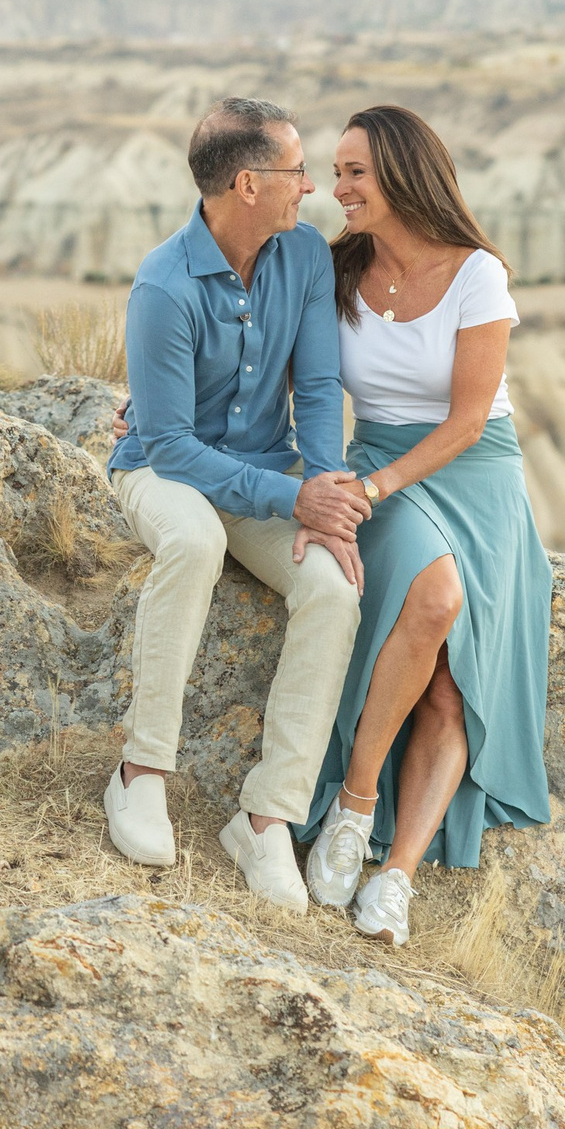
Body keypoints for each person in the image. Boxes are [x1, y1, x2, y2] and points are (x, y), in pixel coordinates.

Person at [104, 96, 373, 913]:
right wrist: (292, 492)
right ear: (248, 183)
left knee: (333, 588)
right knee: (192, 542)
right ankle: (141, 771)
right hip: (166, 472)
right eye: (297, 171)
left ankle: (266, 816)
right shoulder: (164, 286)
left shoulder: (306, 261)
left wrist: (322, 492)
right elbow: (173, 445)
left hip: (264, 473)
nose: (311, 188)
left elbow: (320, 387)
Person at [296, 104, 554, 947]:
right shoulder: (332, 271)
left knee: (454, 683)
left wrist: (369, 488)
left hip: (470, 476)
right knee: (435, 600)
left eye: (354, 173)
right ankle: (354, 806)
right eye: (335, 172)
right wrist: (152, 410)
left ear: (403, 174)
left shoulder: (476, 273)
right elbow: (261, 360)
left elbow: (469, 421)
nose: (338, 189)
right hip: (384, 472)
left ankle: (397, 873)